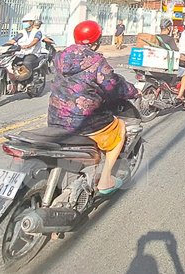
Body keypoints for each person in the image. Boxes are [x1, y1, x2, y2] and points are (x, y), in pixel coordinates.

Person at [49, 20, 139, 195]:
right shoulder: (97, 62)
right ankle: (105, 180)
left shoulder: (60, 57)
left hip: (55, 119)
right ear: (96, 41)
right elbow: (112, 85)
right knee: (118, 126)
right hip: (84, 122)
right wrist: (133, 91)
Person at [155, 19, 185, 104]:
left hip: (154, 66)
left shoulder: (155, 37)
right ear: (169, 28)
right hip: (165, 67)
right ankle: (180, 95)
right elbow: (176, 54)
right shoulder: (169, 39)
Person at [7, 12, 43, 81]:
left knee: (26, 62)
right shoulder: (21, 32)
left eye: (26, 21)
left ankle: (28, 79)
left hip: (32, 53)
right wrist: (2, 46)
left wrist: (28, 46)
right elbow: (13, 40)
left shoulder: (37, 32)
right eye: (23, 21)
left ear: (32, 22)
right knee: (10, 62)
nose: (24, 23)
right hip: (20, 53)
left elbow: (36, 40)